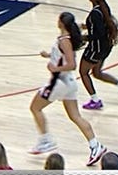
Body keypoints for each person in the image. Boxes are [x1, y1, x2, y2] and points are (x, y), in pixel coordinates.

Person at [29, 12, 107, 167]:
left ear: (61, 23)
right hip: (69, 83)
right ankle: (95, 146)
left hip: (59, 81)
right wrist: (49, 55)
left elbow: (72, 64)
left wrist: (54, 67)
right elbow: (63, 55)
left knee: (35, 108)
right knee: (75, 116)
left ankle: (46, 140)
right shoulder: (67, 38)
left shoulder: (65, 40)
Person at [80, 0, 118, 110]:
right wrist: (86, 26)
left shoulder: (95, 14)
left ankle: (95, 100)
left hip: (96, 48)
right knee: (97, 73)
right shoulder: (104, 8)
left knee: (83, 73)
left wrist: (82, 38)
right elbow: (101, 27)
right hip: (106, 47)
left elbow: (97, 34)